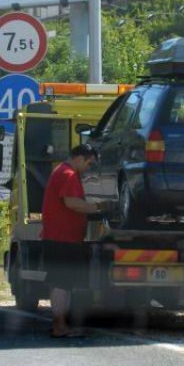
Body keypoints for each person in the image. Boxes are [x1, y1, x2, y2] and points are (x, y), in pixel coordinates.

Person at [41, 143, 103, 338]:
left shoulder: (62, 171)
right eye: (89, 163)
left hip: (59, 237)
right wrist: (99, 208)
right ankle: (60, 326)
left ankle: (60, 324)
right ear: (79, 158)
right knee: (61, 283)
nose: (89, 168)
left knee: (61, 283)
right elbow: (72, 203)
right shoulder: (68, 174)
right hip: (63, 239)